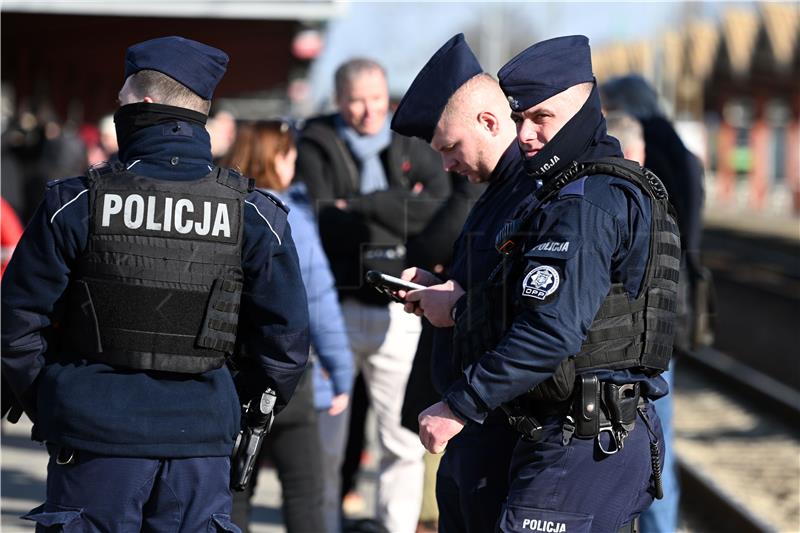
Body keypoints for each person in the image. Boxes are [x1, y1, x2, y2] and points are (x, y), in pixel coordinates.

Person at [0, 36, 310, 531]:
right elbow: (285, 346)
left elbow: (16, 324)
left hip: (91, 443)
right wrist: (225, 406)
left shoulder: (74, 203)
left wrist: (59, 398)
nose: (116, 105)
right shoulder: (252, 214)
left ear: (142, 104)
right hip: (200, 449)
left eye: (121, 97)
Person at [406, 35, 680, 532]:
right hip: (566, 430)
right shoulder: (568, 193)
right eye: (520, 120)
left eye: (540, 119)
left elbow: (550, 330)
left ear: (579, 109)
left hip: (584, 436)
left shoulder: (583, 203)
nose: (525, 135)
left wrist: (459, 405)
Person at [295, 57, 451, 533]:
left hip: (399, 307)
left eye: (377, 100)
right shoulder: (315, 142)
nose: (369, 112)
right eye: (357, 101)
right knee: (325, 439)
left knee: (401, 437)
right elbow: (323, 218)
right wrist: (398, 209)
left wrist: (365, 206)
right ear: (339, 100)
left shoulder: (410, 139)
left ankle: (394, 526)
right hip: (335, 307)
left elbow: (439, 206)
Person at [391, 33, 536, 533]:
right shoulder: (497, 192)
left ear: (490, 121)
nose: (446, 165)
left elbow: (542, 321)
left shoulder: (536, 195)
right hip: (474, 430)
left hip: (504, 432)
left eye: (450, 148)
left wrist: (456, 307)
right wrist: (441, 286)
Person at [224, 120, 354, 533]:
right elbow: (318, 299)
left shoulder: (222, 208)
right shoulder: (289, 217)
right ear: (275, 158)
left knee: (233, 492)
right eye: (290, 155)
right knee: (304, 491)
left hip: (229, 375)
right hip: (290, 376)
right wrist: (342, 371)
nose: (294, 164)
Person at [602, 75, 708, 533]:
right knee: (659, 435)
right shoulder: (683, 154)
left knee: (651, 441)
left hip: (647, 305)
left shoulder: (644, 150)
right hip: (671, 301)